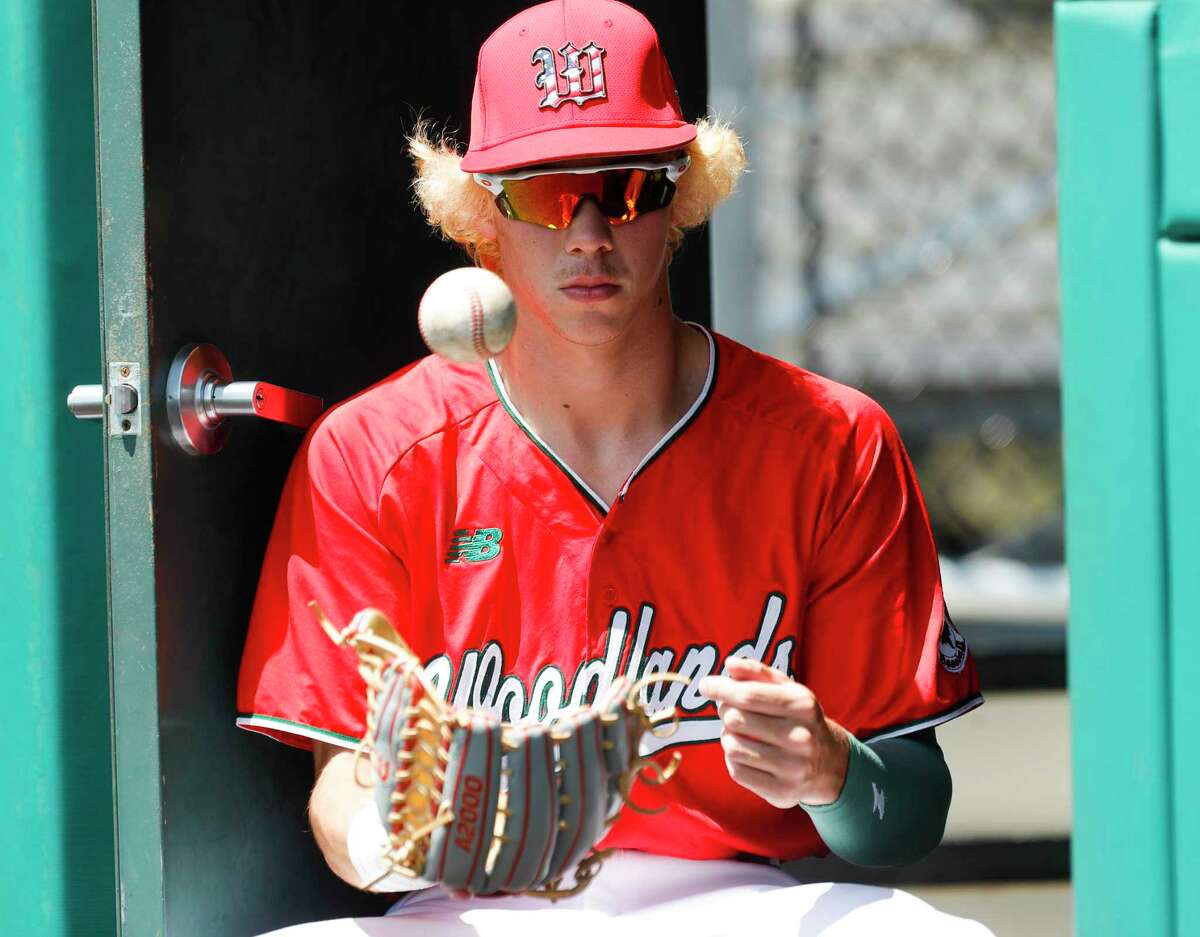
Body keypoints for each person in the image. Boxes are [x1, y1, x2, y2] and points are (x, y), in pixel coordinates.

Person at [237, 2, 991, 934]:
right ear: (481, 214)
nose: (589, 232)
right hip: (467, 909)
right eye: (548, 195)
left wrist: (830, 768)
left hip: (742, 899)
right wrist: (397, 823)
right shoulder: (373, 449)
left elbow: (911, 813)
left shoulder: (831, 440)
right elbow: (341, 791)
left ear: (684, 194)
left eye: (629, 186)